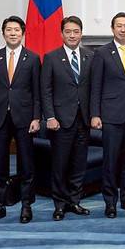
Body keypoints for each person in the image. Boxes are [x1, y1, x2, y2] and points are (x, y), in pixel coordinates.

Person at [0, 16, 41, 224]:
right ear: (3, 33)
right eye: (9, 30)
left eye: (16, 30)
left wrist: (36, 117)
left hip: (25, 118)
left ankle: (26, 205)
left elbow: (37, 92)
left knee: (26, 163)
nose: (13, 33)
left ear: (22, 33)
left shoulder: (32, 58)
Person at [90, 12, 125, 218]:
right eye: (119, 26)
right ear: (112, 29)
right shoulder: (102, 52)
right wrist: (95, 114)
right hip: (111, 115)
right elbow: (95, 86)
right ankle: (110, 202)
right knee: (111, 160)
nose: (123, 29)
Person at [41, 15, 93, 221]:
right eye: (68, 31)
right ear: (62, 34)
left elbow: (94, 88)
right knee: (60, 164)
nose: (72, 35)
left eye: (76, 31)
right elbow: (45, 90)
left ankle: (74, 201)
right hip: (60, 121)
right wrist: (50, 117)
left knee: (79, 164)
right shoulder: (51, 57)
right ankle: (60, 204)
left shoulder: (90, 56)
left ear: (81, 33)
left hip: (84, 120)